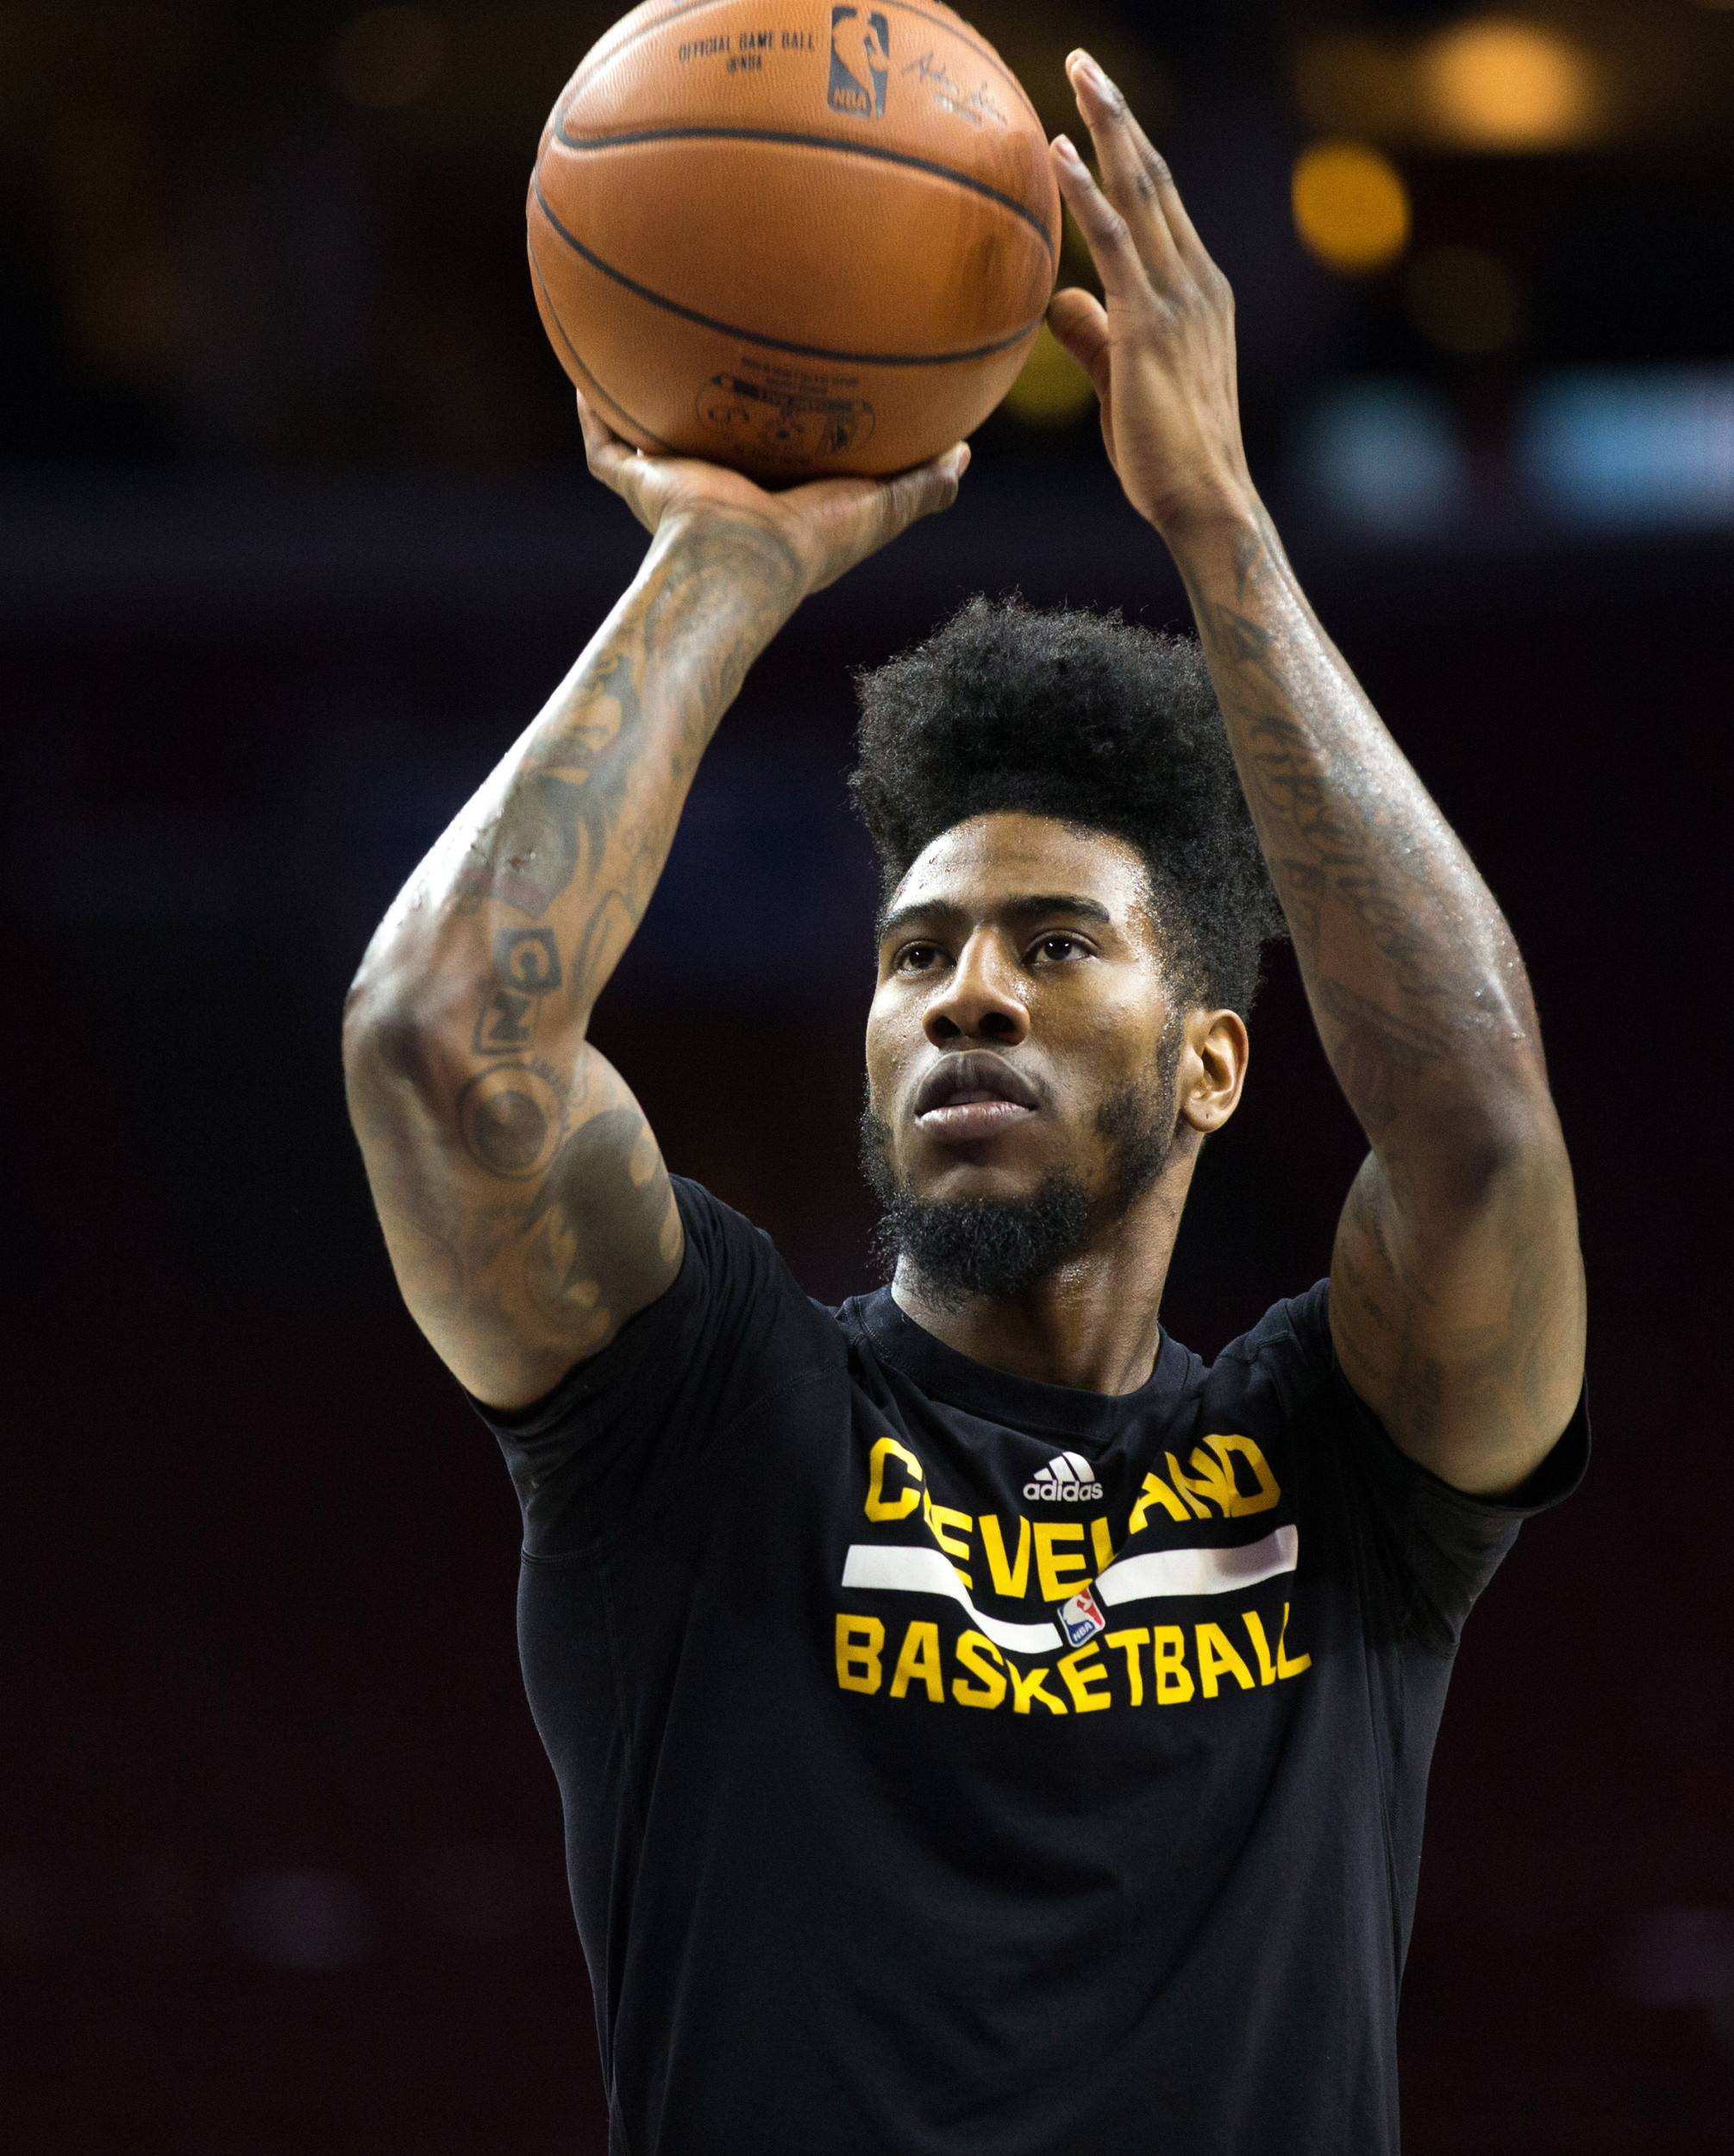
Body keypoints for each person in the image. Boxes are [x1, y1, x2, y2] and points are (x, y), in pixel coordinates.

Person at [342, 52, 1587, 2156]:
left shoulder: (1342, 1472)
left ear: (1213, 1063)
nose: (965, 993)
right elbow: (434, 1045)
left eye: (1054, 946)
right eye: (915, 952)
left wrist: (1218, 523)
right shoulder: (712, 1429)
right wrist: (723, 560)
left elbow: (1476, 1124)